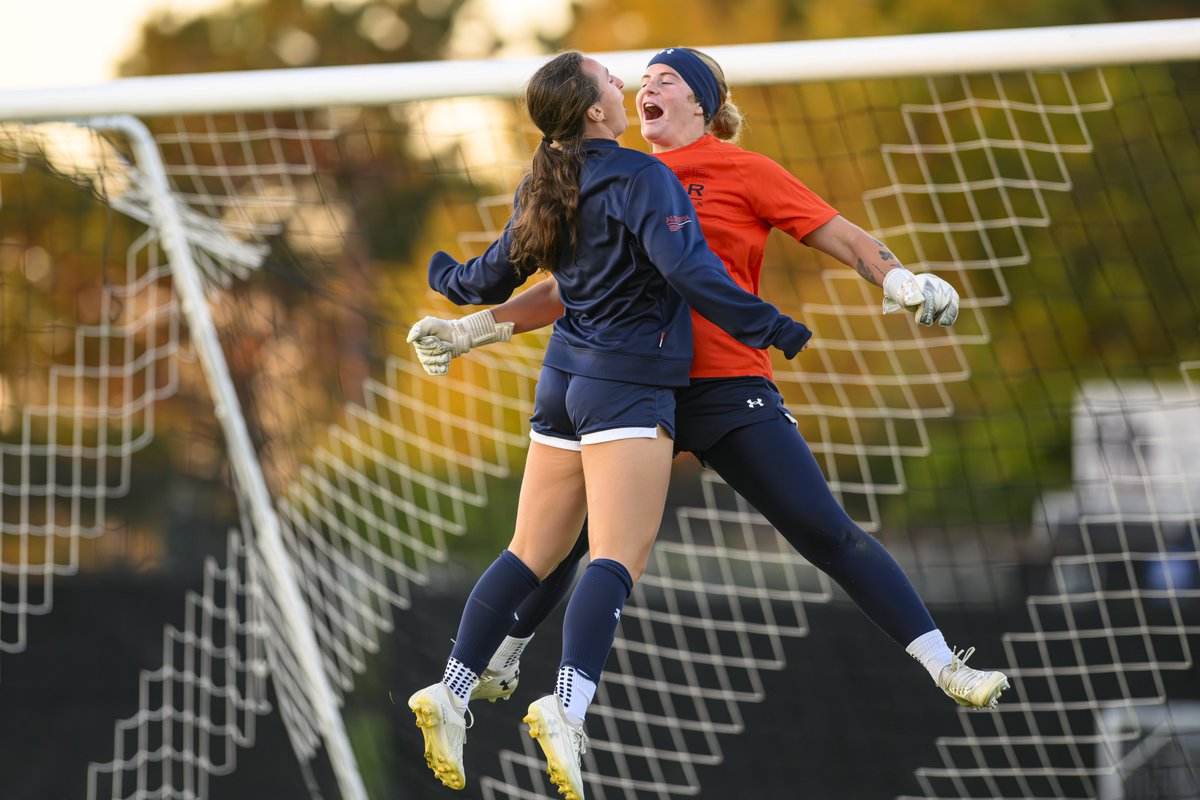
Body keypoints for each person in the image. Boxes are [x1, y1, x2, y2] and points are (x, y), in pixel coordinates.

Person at [408, 47, 1011, 731]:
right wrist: (470, 332)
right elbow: (564, 291)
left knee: (823, 529)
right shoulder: (609, 175)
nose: (645, 88)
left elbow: (840, 236)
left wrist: (901, 281)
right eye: (641, 81)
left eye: (664, 80)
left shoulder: (743, 170)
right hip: (629, 388)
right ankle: (501, 663)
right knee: (560, 543)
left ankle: (945, 665)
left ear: (701, 102)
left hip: (724, 389)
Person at [405, 50, 813, 799]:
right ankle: (567, 709)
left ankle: (452, 690)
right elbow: (690, 271)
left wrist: (443, 278)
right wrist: (772, 326)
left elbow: (487, 276)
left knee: (529, 553)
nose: (624, 84)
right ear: (595, 109)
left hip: (562, 385)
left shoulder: (544, 178)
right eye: (609, 79)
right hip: (628, 388)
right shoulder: (642, 176)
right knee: (616, 556)